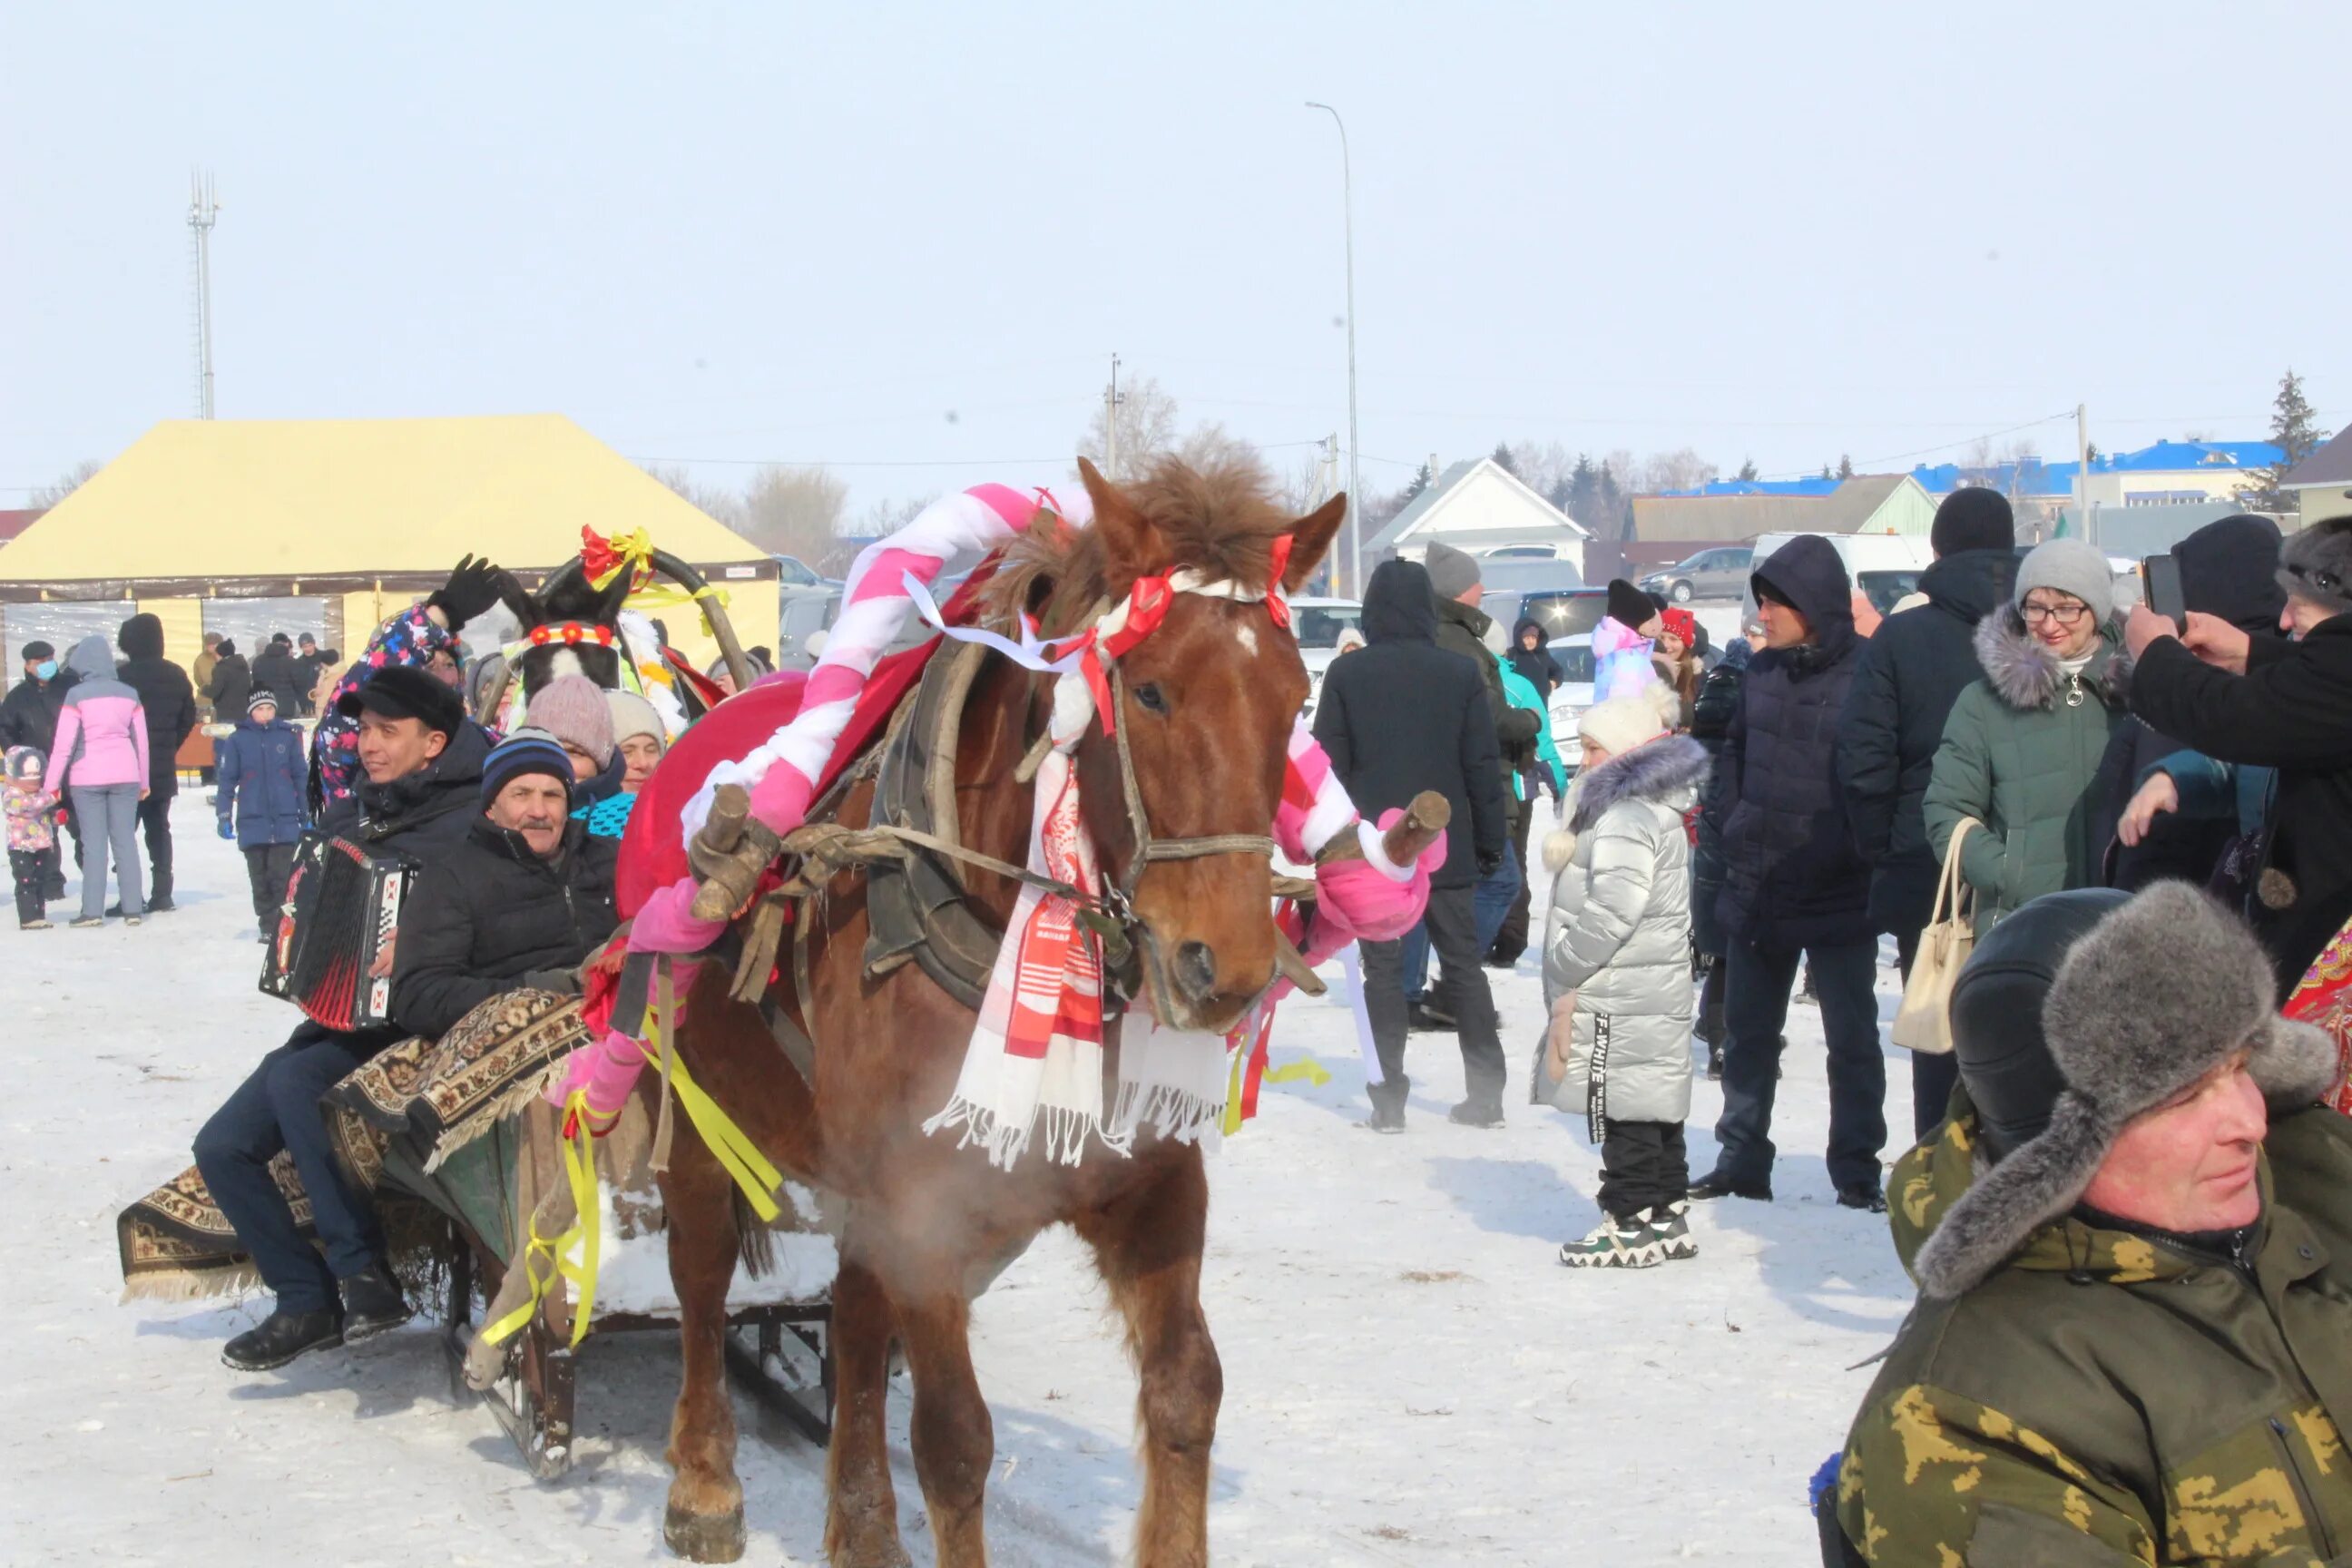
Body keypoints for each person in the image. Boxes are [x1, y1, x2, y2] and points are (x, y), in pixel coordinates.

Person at [1828, 884, 2351, 1566]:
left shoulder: (2310, 1191)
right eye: (2188, 1095)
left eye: (2242, 1069)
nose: (2249, 1122)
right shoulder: (1969, 1414)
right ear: (2059, 1152)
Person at [192, 666, 489, 1372]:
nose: (369, 745)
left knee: (299, 1082)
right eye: (364, 730)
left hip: (420, 1026)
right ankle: (307, 1300)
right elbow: (314, 898)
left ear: (434, 742)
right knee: (222, 1147)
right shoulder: (355, 812)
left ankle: (363, 1273)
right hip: (345, 1023)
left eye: (389, 732)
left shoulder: (471, 818)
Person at [1693, 537, 1886, 1209]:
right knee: (1747, 1035)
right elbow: (1733, 765)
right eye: (1761, 600)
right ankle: (1741, 1159)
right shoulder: (1760, 673)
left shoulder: (1868, 673)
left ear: (1814, 604)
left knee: (1852, 1040)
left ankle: (1857, 1169)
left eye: (1776, 602)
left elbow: (1877, 778)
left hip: (1840, 886)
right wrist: (1735, 833)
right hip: (1760, 885)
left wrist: (1859, 850)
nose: (1763, 614)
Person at [1837, 487, 2017, 1136]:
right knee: (2023, 1028)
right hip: (2036, 863)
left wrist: (1882, 848)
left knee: (1938, 1031)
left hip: (1928, 865)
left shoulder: (1901, 637)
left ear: (1936, 551)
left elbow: (1863, 757)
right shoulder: (2047, 629)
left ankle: (1938, 1180)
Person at [1313, 558, 1509, 1132]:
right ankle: (1486, 1095)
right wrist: (1492, 843)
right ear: (1427, 609)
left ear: (1371, 612)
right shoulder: (1459, 674)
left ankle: (1389, 1100)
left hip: (1375, 850)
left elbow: (1329, 767)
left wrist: (1331, 847)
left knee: (1383, 973)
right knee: (1464, 966)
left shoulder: (1347, 676)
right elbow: (1482, 766)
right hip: (1447, 843)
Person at [2122, 514, 2352, 994]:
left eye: (2299, 607)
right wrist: (2248, 652)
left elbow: (2235, 718)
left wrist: (2156, 654)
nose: (2285, 621)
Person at [1539, 690, 1709, 1267]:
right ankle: (1666, 1213)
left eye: (1592, 749)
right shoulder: (1656, 806)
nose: (1583, 760)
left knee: (1622, 1102)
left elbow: (1615, 907)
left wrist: (1565, 961)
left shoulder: (1626, 815)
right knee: (1652, 1097)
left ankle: (1631, 1218)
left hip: (1620, 984)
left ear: (1624, 753)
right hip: (1650, 984)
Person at [1921, 540, 2129, 938]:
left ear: (2097, 610)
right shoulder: (1984, 702)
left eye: (2067, 608)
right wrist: (2009, 873)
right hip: (2020, 927)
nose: (2049, 624)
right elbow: (1947, 810)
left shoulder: (2143, 689)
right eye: (2036, 607)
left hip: (2124, 924)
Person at [388, 730, 620, 1042]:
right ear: (490, 808)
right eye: (520, 794)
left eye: (552, 795)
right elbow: (419, 995)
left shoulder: (611, 857)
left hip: (622, 1020)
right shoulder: (451, 878)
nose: (538, 811)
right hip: (515, 1043)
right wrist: (538, 989)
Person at [2106, 514, 2286, 893]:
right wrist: (2174, 777)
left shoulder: (2191, 688)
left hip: (2212, 920)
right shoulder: (2285, 673)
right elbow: (2242, 761)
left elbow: (2153, 846)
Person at [311, 555, 512, 820]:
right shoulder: (354, 757)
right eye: (428, 666)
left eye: (449, 665)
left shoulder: (483, 744)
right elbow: (353, 698)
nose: (440, 676)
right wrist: (440, 616)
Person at [1422, 542, 1539, 973]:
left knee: (1445, 883)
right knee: (1501, 880)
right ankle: (1458, 970)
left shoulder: (1449, 635)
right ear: (1457, 591)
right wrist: (1529, 721)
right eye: (1476, 583)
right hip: (1475, 783)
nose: (1482, 589)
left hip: (1459, 780)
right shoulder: (1458, 642)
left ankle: (1441, 974)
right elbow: (1488, 716)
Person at [42, 636, 149, 928]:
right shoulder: (130, 694)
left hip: (87, 776)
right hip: (127, 774)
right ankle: (133, 908)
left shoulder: (76, 695)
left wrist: (52, 784)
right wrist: (144, 779)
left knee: (94, 844)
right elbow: (141, 743)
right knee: (125, 840)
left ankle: (91, 911)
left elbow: (64, 744)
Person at [1688, 630, 1754, 1080]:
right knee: (1745, 954)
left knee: (1723, 952)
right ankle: (1731, 1043)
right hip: (1745, 838)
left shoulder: (1710, 689)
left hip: (1712, 832)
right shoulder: (1751, 702)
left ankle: (1719, 1042)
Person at [115, 612, 200, 913]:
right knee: (159, 830)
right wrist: (168, 746)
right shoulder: (175, 674)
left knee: (124, 832)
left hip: (124, 765)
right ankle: (163, 893)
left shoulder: (121, 676)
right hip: (161, 765)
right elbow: (188, 717)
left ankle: (130, 895)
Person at [215, 691, 309, 943]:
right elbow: (227, 780)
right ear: (251, 712)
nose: (265, 713)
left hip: (285, 819)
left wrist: (306, 810)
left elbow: (301, 776)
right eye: (260, 709)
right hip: (252, 819)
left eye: (270, 708)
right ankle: (267, 924)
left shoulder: (288, 738)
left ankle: (282, 923)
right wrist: (223, 814)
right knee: (260, 877)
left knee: (282, 876)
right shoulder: (237, 740)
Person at [578, 689, 666, 839]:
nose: (642, 763)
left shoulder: (681, 815)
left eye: (651, 750)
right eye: (627, 752)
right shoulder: (572, 825)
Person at [523, 673, 623, 804]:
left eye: (575, 752)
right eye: (547, 749)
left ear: (599, 765)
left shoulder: (631, 817)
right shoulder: (501, 812)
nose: (560, 763)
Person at [5, 746, 60, 929]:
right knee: (26, 880)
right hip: (21, 847)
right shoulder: (11, 794)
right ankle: (28, 917)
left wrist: (55, 817)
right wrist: (49, 799)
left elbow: (43, 813)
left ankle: (39, 914)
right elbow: (27, 808)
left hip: (41, 844)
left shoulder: (40, 794)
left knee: (40, 880)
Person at [1592, 578, 1661, 703]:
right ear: (1636, 621)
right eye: (1649, 621)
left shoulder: (1618, 652)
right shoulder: (1629, 659)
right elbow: (1628, 708)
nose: (1652, 627)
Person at [1649, 605, 1703, 729]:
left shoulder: (1699, 676)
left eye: (1673, 639)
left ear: (1686, 644)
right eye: (1661, 637)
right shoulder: (1648, 669)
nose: (1666, 645)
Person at [1508, 616, 1563, 699]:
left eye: (1533, 637)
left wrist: (1553, 683)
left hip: (1541, 703)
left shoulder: (1542, 654)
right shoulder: (1512, 655)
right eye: (1526, 638)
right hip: (1519, 704)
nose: (1530, 641)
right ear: (1519, 638)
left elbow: (1557, 671)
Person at [250, 633, 305, 717]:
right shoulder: (290, 662)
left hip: (264, 704)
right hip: (286, 706)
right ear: (286, 644)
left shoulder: (258, 660)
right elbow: (299, 684)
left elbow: (255, 682)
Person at [203, 638, 252, 725]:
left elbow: (215, 691)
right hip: (243, 710)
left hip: (226, 711)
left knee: (226, 737)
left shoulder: (221, 668)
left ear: (220, 654)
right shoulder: (243, 666)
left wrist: (203, 689)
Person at [292, 632, 332, 714]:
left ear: (314, 644)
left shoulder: (324, 657)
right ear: (301, 647)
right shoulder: (298, 662)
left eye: (310, 645)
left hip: (324, 700)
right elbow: (297, 683)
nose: (308, 649)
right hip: (306, 702)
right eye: (305, 647)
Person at [192, 631, 224, 720]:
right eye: (210, 644)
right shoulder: (200, 660)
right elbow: (199, 680)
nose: (212, 646)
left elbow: (198, 680)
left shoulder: (200, 659)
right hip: (206, 703)